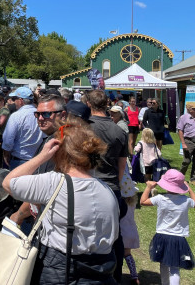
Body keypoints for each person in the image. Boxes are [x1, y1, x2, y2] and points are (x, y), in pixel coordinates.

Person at [2, 118, 118, 284]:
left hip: (60, 270)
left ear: (60, 152)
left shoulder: (53, 183)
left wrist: (42, 156)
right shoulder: (106, 190)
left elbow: (8, 183)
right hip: (102, 270)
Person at [87, 89, 129, 283]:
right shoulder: (119, 131)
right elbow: (122, 165)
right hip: (112, 186)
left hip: (89, 185)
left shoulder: (84, 127)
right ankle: (116, 274)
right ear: (107, 105)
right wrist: (117, 185)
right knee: (115, 234)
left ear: (88, 104)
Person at [9, 94, 67, 231]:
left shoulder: (58, 143)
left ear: (62, 115)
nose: (40, 119)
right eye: (38, 114)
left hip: (53, 222)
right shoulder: (54, 138)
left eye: (47, 114)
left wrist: (18, 216)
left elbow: (44, 190)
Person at [140, 170, 195, 285]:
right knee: (175, 267)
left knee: (163, 264)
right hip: (178, 238)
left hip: (162, 236)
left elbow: (143, 201)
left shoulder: (160, 198)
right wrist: (189, 189)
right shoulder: (186, 200)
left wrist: (149, 187)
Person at [2, 87, 43, 170]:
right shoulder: (41, 114)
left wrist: (6, 154)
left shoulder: (16, 116)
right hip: (38, 161)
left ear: (20, 100)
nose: (13, 102)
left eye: (14, 99)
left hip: (20, 161)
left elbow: (8, 140)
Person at [119, 164, 141, 285]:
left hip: (121, 231)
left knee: (116, 254)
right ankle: (134, 275)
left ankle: (115, 273)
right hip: (130, 231)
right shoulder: (132, 203)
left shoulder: (119, 204)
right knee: (127, 254)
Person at [177, 101, 195, 187]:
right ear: (189, 109)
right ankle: (180, 178)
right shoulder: (183, 118)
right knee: (186, 161)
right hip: (189, 142)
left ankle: (193, 179)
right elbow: (180, 130)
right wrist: (183, 143)